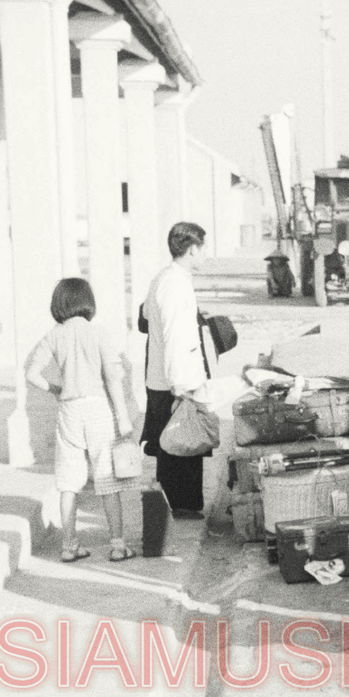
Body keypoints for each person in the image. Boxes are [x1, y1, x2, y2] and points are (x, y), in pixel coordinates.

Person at [25, 278, 136, 562]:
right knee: (107, 479)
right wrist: (122, 416)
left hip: (68, 410)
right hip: (97, 408)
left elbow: (31, 374)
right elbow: (113, 378)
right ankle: (118, 545)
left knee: (68, 481)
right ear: (87, 302)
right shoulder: (98, 333)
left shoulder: (55, 334)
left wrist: (56, 389)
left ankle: (69, 546)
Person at [140, 221, 213, 517]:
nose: (205, 255)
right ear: (193, 249)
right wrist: (178, 385)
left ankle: (185, 505)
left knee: (185, 444)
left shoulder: (168, 278)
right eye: (203, 249)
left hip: (172, 375)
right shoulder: (173, 283)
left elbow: (145, 315)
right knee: (176, 448)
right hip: (174, 380)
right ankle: (179, 507)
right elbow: (171, 334)